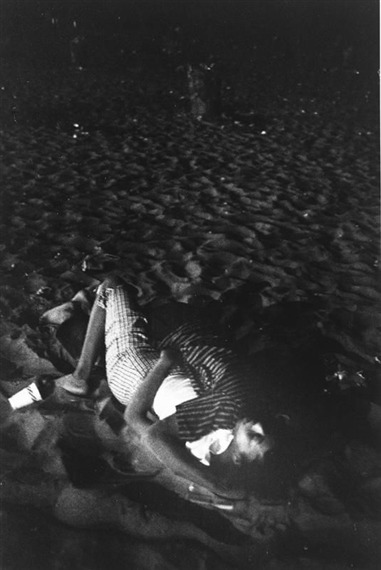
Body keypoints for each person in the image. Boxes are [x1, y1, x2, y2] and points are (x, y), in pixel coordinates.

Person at [57, 275, 273, 497]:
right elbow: (139, 422)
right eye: (266, 430)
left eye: (255, 437)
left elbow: (144, 427)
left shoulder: (222, 416)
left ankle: (80, 374)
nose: (258, 425)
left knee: (111, 285)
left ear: (237, 457)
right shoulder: (196, 451)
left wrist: (164, 363)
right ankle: (78, 323)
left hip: (138, 369)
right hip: (133, 384)